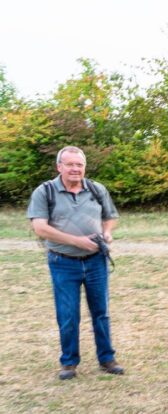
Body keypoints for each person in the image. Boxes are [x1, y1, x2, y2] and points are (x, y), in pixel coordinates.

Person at [27, 145, 124, 380]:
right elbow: (39, 228)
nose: (75, 169)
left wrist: (107, 233)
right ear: (59, 167)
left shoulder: (96, 189)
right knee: (68, 314)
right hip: (63, 262)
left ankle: (107, 359)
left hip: (96, 261)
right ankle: (69, 362)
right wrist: (77, 241)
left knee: (101, 312)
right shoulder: (45, 192)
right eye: (69, 164)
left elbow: (110, 217)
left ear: (84, 167)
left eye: (79, 165)